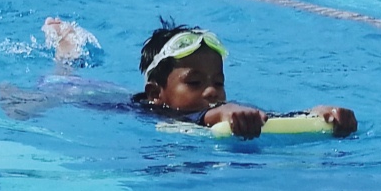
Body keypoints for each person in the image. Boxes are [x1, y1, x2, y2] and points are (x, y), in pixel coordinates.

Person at [135, 23, 357, 139]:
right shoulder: (146, 115)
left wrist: (317, 113)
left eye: (219, 83)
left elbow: (271, 119)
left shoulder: (232, 111)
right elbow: (202, 117)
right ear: (155, 94)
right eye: (194, 83)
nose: (212, 91)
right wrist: (225, 112)